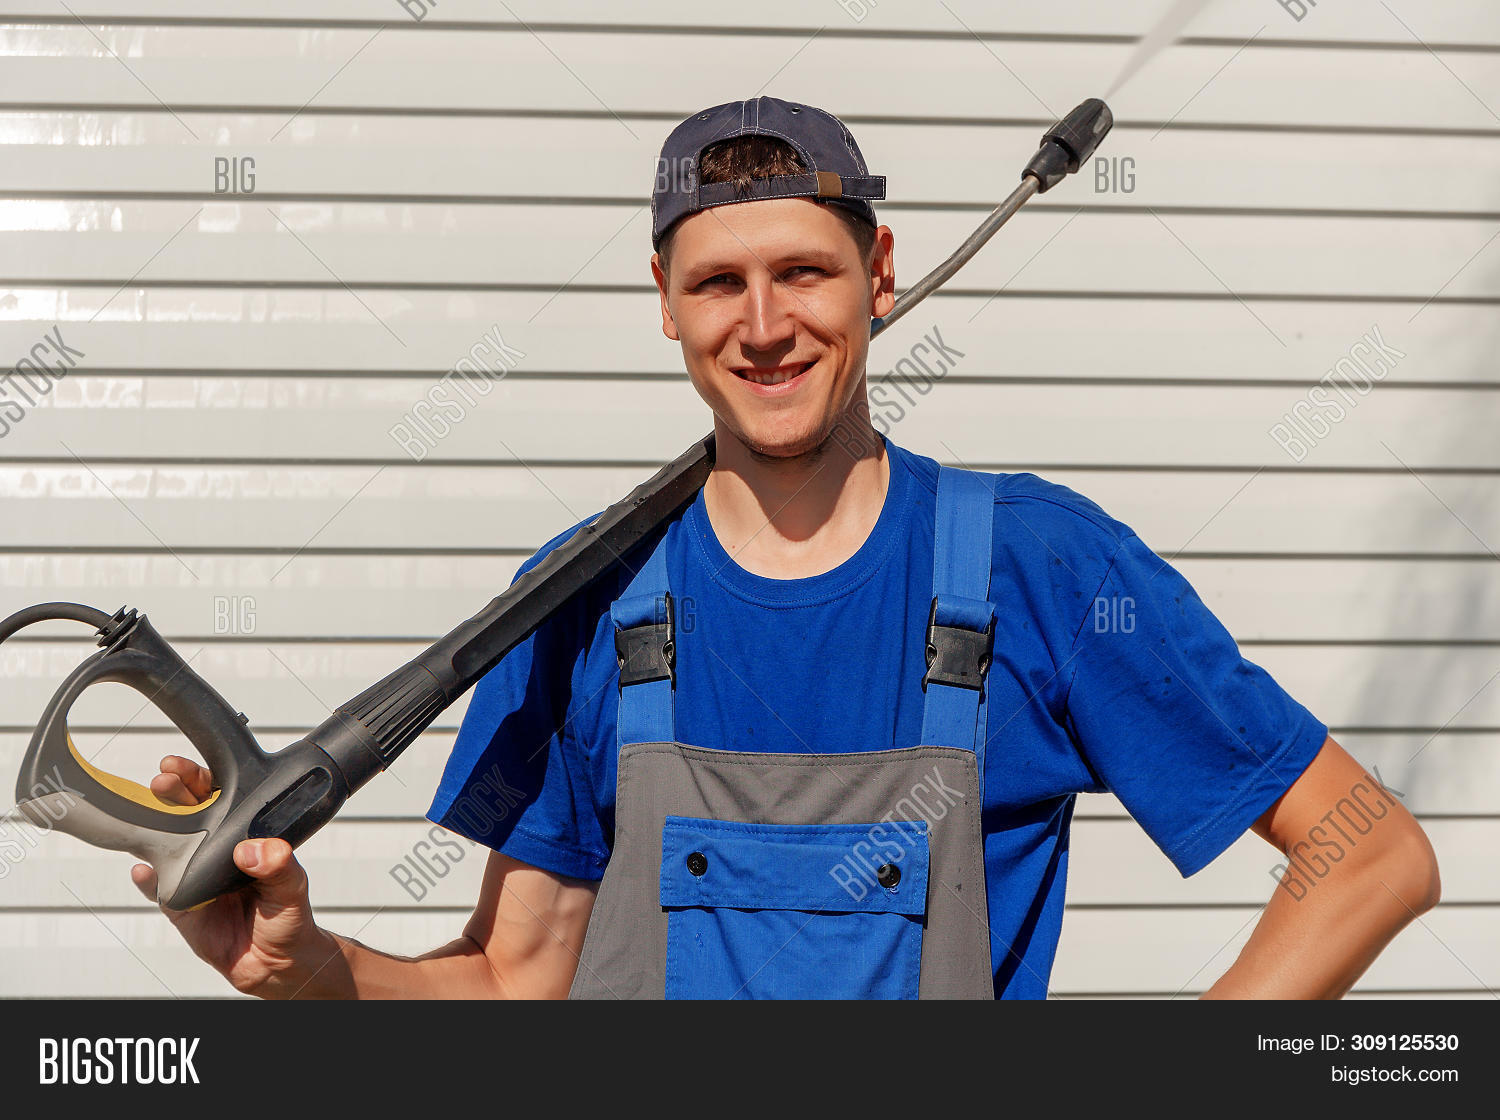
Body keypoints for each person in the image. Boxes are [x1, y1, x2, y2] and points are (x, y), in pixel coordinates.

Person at [137, 96, 1440, 999]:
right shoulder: (583, 597)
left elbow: (1369, 854)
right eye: (718, 283)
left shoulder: (1040, 570)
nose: (764, 326)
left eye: (804, 273)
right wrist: (314, 975)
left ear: (882, 275)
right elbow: (517, 980)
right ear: (664, 302)